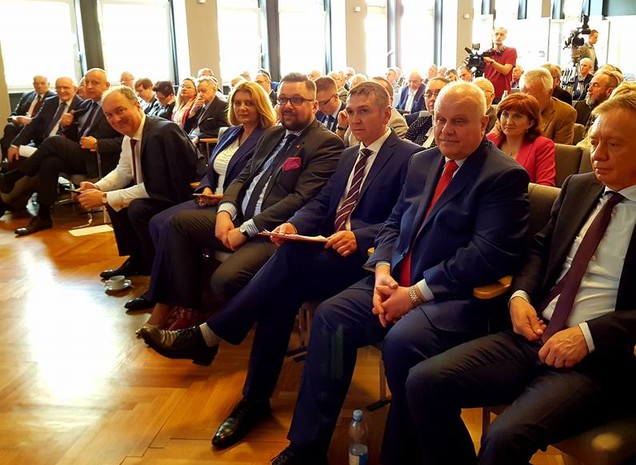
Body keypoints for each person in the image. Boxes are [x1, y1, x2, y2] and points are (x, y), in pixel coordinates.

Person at [405, 92, 636, 465]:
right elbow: (538, 250)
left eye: (613, 145)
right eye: (594, 142)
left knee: (503, 438)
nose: (597, 154)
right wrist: (519, 296)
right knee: (423, 382)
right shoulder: (579, 187)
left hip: (598, 360)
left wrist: (589, 335)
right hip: (533, 335)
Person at [139, 82, 423, 450]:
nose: (355, 119)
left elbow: (405, 220)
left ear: (386, 114)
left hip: (366, 262)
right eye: (351, 111)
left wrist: (361, 236)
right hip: (329, 252)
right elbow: (320, 204)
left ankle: (211, 335)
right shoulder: (350, 154)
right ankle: (253, 400)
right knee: (278, 294)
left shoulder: (410, 157)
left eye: (364, 111)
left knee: (287, 260)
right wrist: (293, 225)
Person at [263, 81, 530, 465]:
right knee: (332, 319)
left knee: (401, 344)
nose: (446, 130)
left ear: (484, 123)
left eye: (458, 121)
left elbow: (485, 257)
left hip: (452, 299)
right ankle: (308, 444)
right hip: (393, 283)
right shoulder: (423, 162)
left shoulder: (502, 175)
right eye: (439, 120)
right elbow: (393, 224)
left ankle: (403, 454)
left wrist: (415, 293)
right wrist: (383, 271)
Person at [135, 73, 343, 331]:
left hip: (273, 231)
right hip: (241, 215)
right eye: (283, 99)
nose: (287, 105)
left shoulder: (326, 142)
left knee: (224, 280)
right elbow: (243, 176)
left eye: (297, 99)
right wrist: (225, 211)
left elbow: (299, 199)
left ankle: (219, 327)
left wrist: (245, 230)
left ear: (314, 105)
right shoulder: (273, 134)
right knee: (175, 224)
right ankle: (187, 306)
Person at [123, 81, 276, 311]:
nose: (242, 108)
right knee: (156, 222)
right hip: (210, 198)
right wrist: (206, 187)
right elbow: (210, 170)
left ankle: (176, 300)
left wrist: (222, 197)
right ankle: (167, 289)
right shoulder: (231, 133)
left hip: (233, 205)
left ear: (261, 105)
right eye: (237, 103)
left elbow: (256, 181)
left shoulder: (268, 137)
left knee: (172, 225)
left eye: (249, 103)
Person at [77, 86, 198, 279]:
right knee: (117, 204)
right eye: (109, 115)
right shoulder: (130, 135)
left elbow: (157, 187)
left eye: (120, 110)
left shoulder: (162, 132)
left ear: (137, 105)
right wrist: (98, 187)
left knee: (136, 208)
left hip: (181, 196)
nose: (116, 119)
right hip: (158, 192)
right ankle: (137, 259)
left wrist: (104, 197)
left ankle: (155, 269)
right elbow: (124, 170)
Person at [0, 68, 123, 236]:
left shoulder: (113, 106)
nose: (89, 86)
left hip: (98, 160)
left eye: (95, 83)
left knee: (53, 141)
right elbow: (74, 136)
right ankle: (43, 216)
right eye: (87, 82)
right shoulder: (85, 105)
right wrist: (67, 126)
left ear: (107, 85)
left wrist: (98, 144)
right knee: (50, 162)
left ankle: (12, 177)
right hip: (81, 155)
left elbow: (125, 140)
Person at [2, 77, 82, 216]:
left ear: (75, 89)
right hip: (42, 144)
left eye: (66, 87)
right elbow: (33, 125)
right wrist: (15, 144)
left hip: (61, 149)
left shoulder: (81, 106)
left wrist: (65, 126)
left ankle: (8, 195)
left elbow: (76, 137)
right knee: (18, 154)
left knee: (44, 162)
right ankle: (15, 200)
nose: (62, 91)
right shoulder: (50, 102)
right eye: (58, 87)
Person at [486, 93, 555, 186]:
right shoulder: (490, 139)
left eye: (517, 116)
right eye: (505, 115)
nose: (509, 122)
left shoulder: (543, 145)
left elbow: (545, 186)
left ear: (530, 123)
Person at [1, 75, 54, 162]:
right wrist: (16, 118)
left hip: (37, 128)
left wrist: (31, 121)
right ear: (33, 84)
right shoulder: (27, 95)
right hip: (21, 125)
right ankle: (7, 159)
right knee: (9, 127)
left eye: (42, 83)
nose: (39, 86)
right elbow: (13, 115)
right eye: (36, 83)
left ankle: (13, 160)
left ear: (48, 84)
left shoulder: (53, 98)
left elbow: (50, 120)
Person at [520, 68, 577, 144]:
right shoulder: (513, 108)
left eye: (533, 98)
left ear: (550, 92)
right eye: (523, 96)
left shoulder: (565, 114)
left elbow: (559, 149)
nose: (527, 102)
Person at [403, 77, 449, 148]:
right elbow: (404, 148)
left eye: (438, 94)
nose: (432, 98)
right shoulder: (420, 122)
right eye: (428, 94)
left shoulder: (451, 128)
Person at [184, 76, 229, 144]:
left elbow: (224, 129)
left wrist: (200, 137)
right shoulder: (199, 106)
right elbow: (187, 129)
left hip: (204, 143)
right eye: (198, 91)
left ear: (214, 90)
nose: (200, 94)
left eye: (203, 91)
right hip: (190, 138)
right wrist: (192, 111)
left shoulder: (223, 106)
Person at [483, 26, 517, 103]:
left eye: (502, 34)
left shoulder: (511, 51)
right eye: (496, 34)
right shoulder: (486, 53)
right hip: (488, 93)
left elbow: (505, 70)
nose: (498, 37)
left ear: (505, 37)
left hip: (502, 94)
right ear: (492, 36)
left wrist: (491, 61)